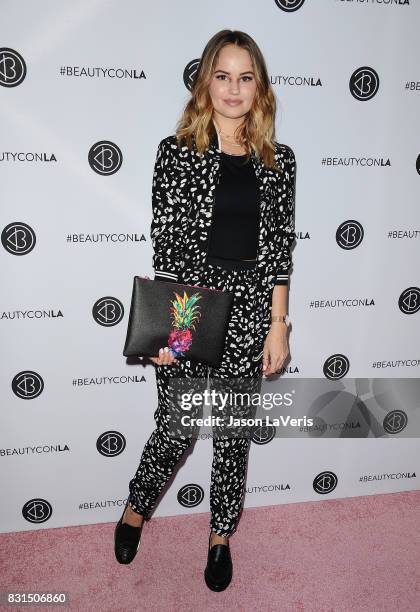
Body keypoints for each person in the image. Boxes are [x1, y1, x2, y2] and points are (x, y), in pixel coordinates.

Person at [114, 29, 296, 592]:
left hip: (248, 305)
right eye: (223, 76)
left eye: (246, 77)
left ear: (259, 88)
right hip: (193, 302)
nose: (234, 89)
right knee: (176, 426)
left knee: (234, 433)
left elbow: (279, 251)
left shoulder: (278, 160)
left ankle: (219, 537)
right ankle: (135, 511)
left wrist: (277, 324)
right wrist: (171, 328)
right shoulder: (177, 152)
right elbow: (167, 243)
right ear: (206, 82)